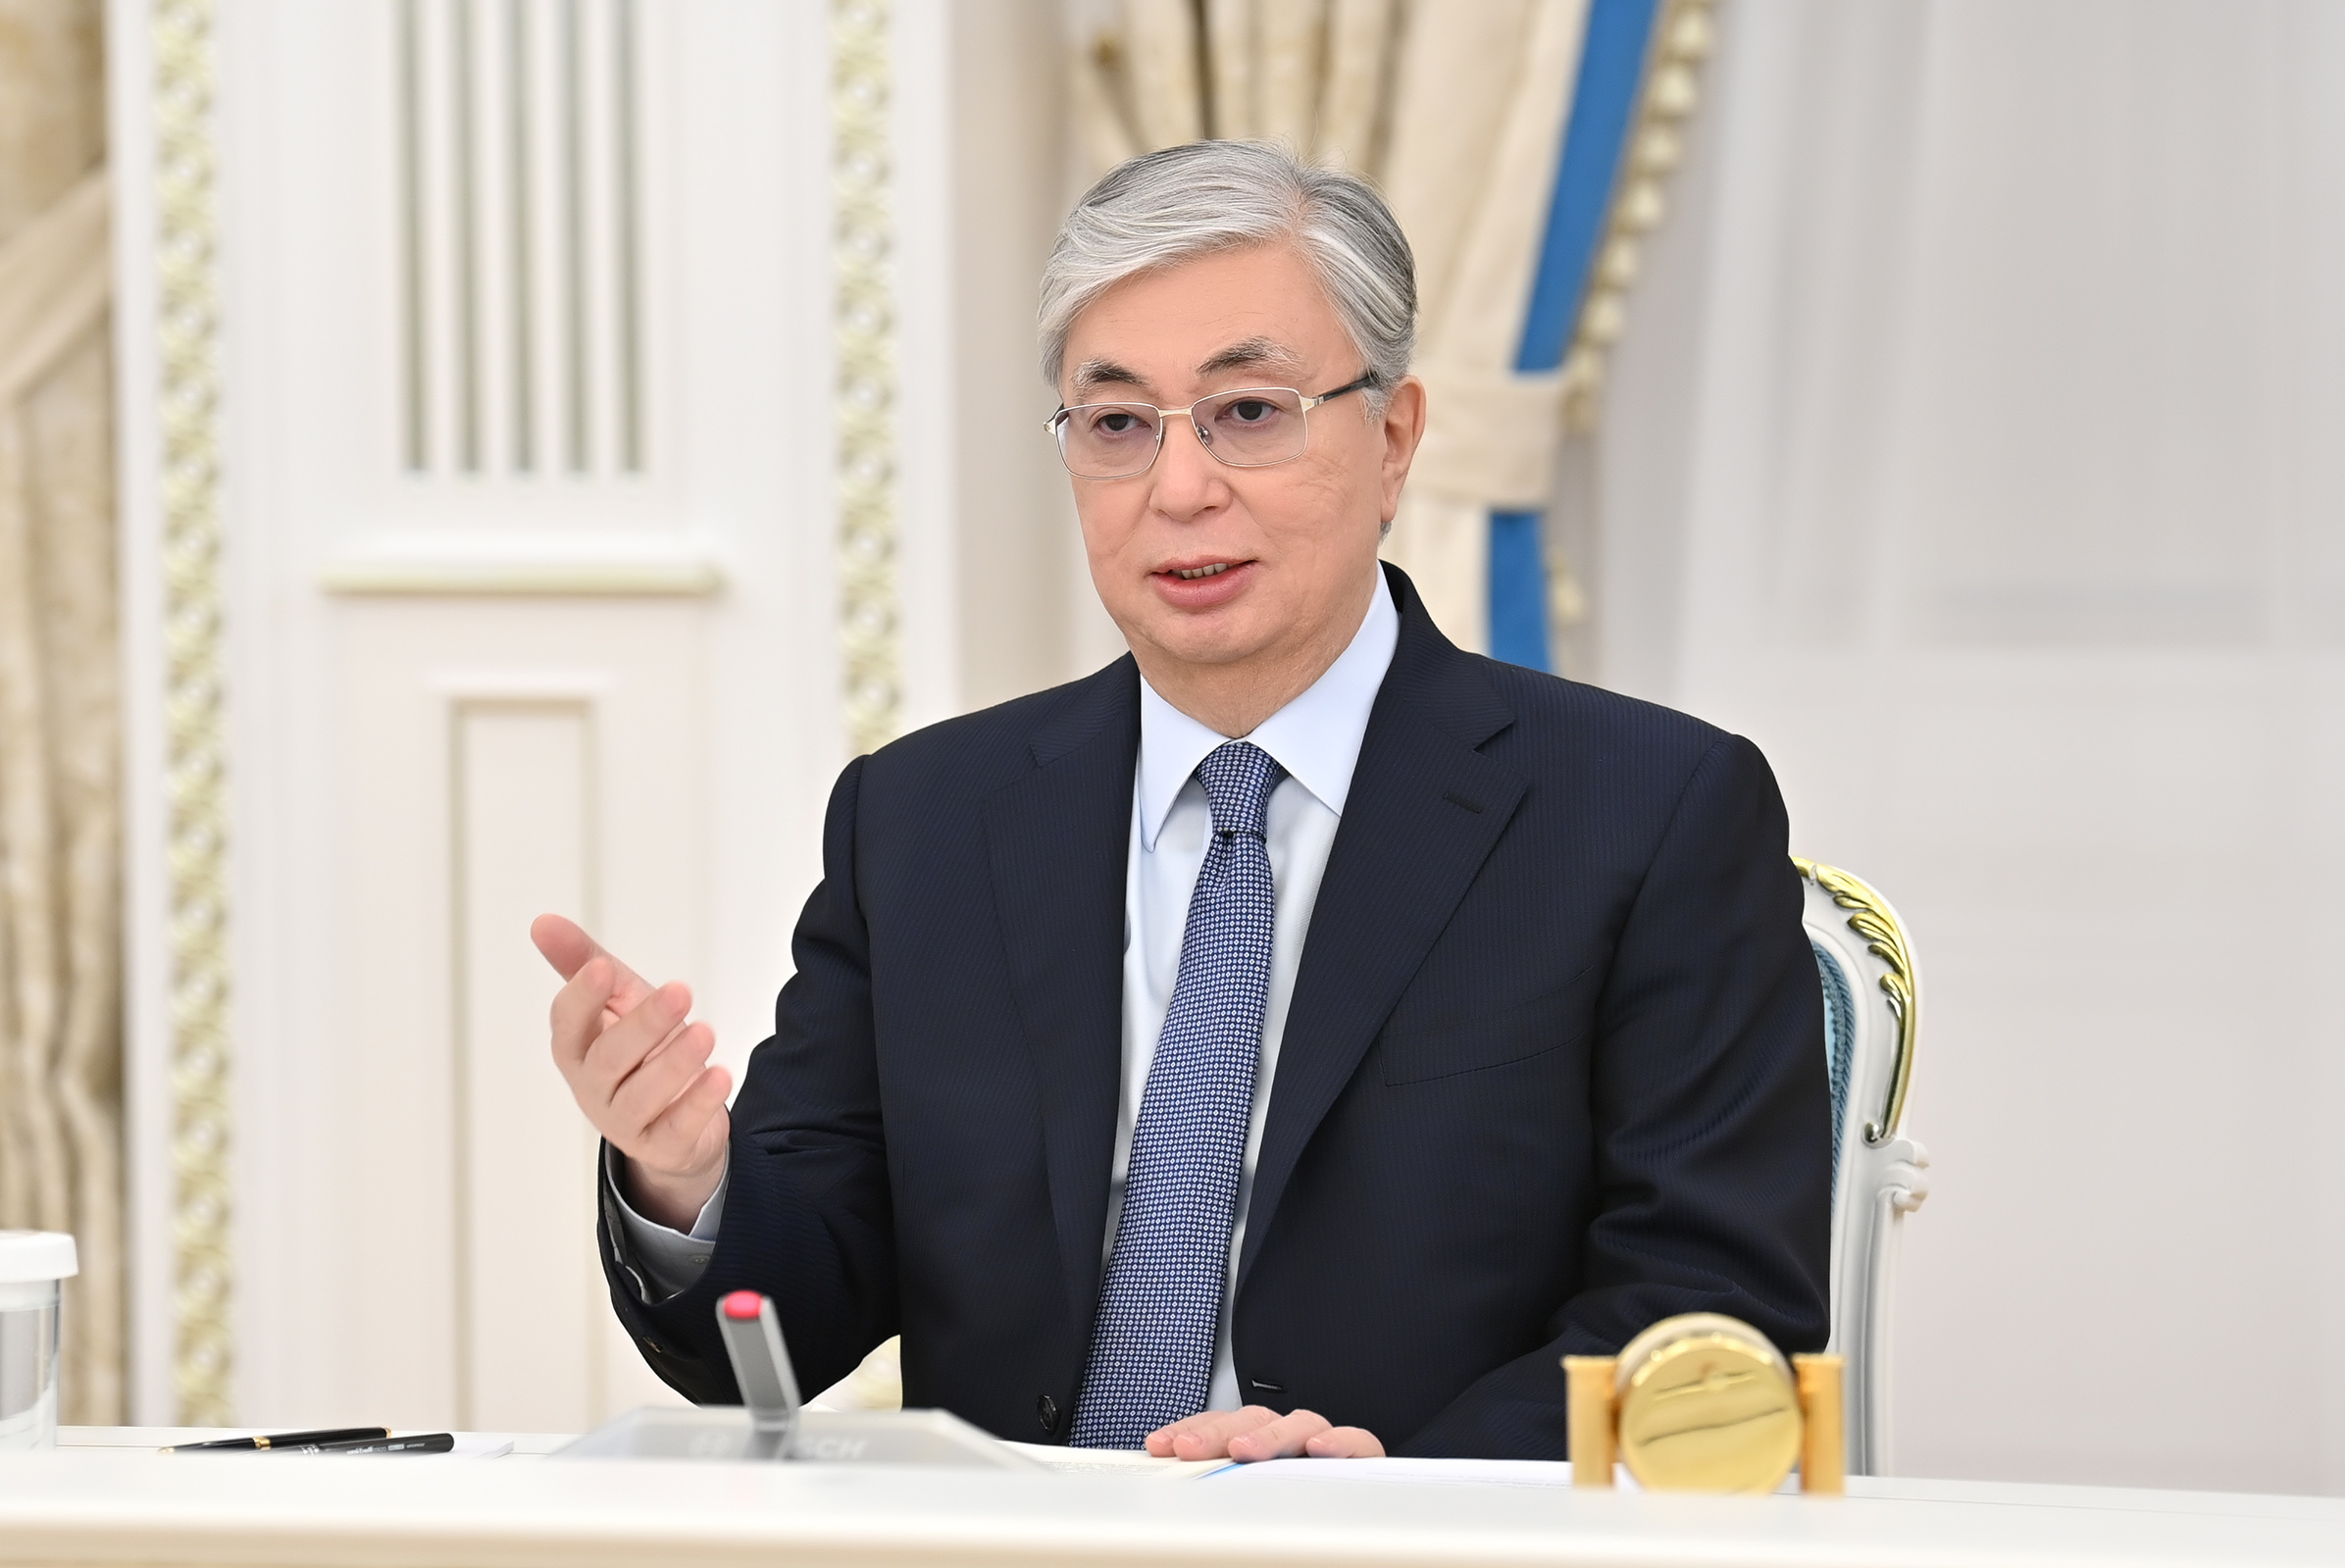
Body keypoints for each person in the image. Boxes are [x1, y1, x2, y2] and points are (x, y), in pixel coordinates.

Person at [533, 140, 1828, 1463]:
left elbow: (1718, 1316)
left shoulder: (1646, 812)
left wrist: (1394, 1495)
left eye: (1249, 412)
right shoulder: (923, 820)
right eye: (1116, 426)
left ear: (1393, 440)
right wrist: (687, 1176)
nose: (1180, 488)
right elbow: (783, 1330)